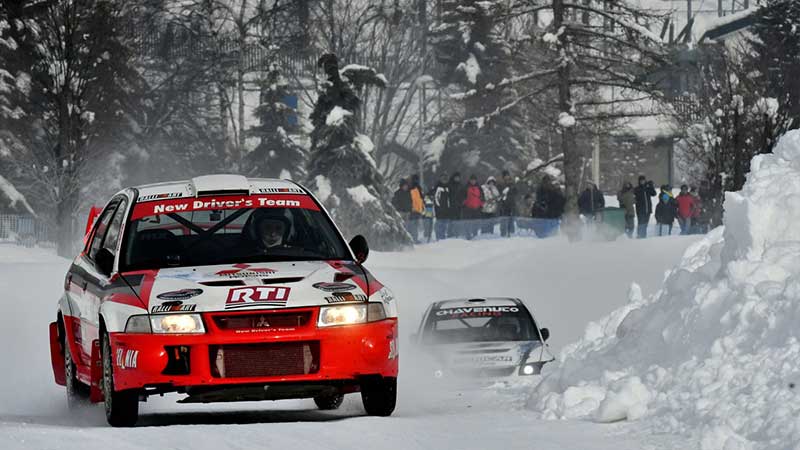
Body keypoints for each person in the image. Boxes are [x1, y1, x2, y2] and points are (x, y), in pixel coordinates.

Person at [462, 174, 484, 239]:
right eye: (472, 180)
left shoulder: (479, 188)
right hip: (468, 209)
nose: (473, 181)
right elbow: (462, 197)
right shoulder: (465, 187)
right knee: (468, 223)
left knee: (475, 224)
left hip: (477, 208)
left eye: (474, 180)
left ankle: (475, 236)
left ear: (476, 180)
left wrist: (481, 205)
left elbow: (482, 197)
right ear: (469, 180)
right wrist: (463, 204)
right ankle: (467, 236)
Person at [499, 170, 518, 237]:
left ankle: (511, 233)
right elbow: (499, 194)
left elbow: (516, 192)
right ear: (503, 177)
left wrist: (513, 188)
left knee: (511, 220)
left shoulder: (512, 183)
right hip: (504, 205)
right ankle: (503, 233)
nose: (507, 177)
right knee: (504, 220)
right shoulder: (501, 184)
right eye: (505, 176)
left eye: (507, 175)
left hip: (512, 204)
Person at [448, 172, 466, 238]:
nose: (457, 178)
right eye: (456, 177)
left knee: (458, 221)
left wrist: (462, 201)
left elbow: (464, 194)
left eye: (458, 177)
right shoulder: (450, 185)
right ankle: (450, 234)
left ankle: (458, 234)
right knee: (451, 221)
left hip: (459, 206)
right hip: (451, 206)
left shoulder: (461, 185)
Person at [433, 173, 450, 240]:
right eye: (443, 178)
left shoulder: (449, 187)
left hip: (447, 211)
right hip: (439, 211)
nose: (444, 180)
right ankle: (439, 239)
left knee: (445, 227)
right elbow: (433, 198)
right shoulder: (437, 187)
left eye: (445, 179)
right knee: (439, 226)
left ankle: (444, 239)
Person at [409, 174, 425, 242]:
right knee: (412, 225)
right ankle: (413, 239)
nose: (416, 181)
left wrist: (422, 207)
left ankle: (414, 238)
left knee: (415, 225)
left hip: (418, 209)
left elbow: (421, 199)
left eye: (417, 180)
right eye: (415, 180)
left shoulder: (419, 188)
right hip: (413, 210)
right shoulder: (411, 188)